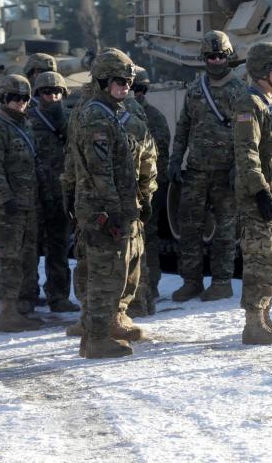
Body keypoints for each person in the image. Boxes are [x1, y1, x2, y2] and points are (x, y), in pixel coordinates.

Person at [66, 48, 141, 358]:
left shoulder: (103, 111)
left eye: (129, 81)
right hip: (103, 209)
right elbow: (101, 170)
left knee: (108, 273)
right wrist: (113, 211)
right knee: (105, 276)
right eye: (119, 81)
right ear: (101, 81)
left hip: (104, 206)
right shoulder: (97, 115)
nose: (125, 87)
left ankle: (95, 337)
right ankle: (97, 339)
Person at [167, 30, 246, 302]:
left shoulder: (239, 91)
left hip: (225, 171)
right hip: (197, 170)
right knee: (189, 226)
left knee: (225, 229)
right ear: (204, 58)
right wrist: (176, 159)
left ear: (228, 57)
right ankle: (191, 281)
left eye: (220, 56)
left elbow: (247, 133)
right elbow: (184, 126)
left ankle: (222, 281)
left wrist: (240, 164)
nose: (215, 61)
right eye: (210, 56)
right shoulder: (194, 89)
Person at [233, 42, 272, 345]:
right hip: (261, 196)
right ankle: (253, 324)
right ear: (260, 70)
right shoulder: (249, 104)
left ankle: (266, 316)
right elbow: (247, 153)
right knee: (260, 259)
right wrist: (260, 190)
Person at [0, 74, 44, 333]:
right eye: (13, 98)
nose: (19, 103)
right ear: (3, 99)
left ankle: (21, 308)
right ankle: (7, 313)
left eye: (24, 98)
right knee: (8, 259)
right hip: (6, 207)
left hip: (26, 204)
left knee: (27, 258)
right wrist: (6, 199)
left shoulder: (24, 124)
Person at [27, 71, 79, 313]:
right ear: (38, 94)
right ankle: (27, 296)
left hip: (60, 194)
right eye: (47, 92)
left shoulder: (70, 120)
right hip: (34, 195)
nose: (53, 96)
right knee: (29, 249)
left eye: (58, 91)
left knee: (58, 247)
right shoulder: (27, 120)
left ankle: (58, 296)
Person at [116, 93, 158, 330]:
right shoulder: (94, 111)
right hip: (127, 196)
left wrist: (146, 192)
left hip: (126, 195)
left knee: (129, 255)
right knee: (132, 254)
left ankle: (131, 306)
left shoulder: (97, 112)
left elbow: (148, 154)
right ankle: (136, 304)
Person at [131, 67, 171, 313]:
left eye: (139, 90)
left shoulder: (153, 117)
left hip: (146, 189)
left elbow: (160, 155)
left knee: (149, 238)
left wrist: (151, 190)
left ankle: (150, 286)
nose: (135, 94)